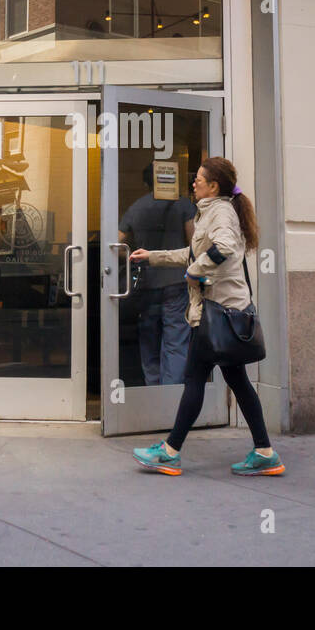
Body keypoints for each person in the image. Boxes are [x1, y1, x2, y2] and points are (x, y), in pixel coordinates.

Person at [128, 157, 282, 476]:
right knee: (236, 381)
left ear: (214, 186)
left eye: (199, 178)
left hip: (216, 313)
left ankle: (170, 451)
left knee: (195, 378)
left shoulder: (220, 212)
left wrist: (194, 272)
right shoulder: (211, 211)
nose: (193, 182)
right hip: (221, 312)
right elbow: (194, 253)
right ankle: (265, 451)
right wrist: (153, 257)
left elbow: (222, 247)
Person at [117, 162, 196, 385]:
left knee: (149, 339)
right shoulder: (184, 205)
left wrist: (130, 256)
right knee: (176, 340)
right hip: (176, 282)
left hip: (147, 282)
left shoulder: (137, 207)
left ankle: (152, 388)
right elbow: (194, 245)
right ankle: (170, 396)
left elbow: (117, 243)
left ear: (145, 183)